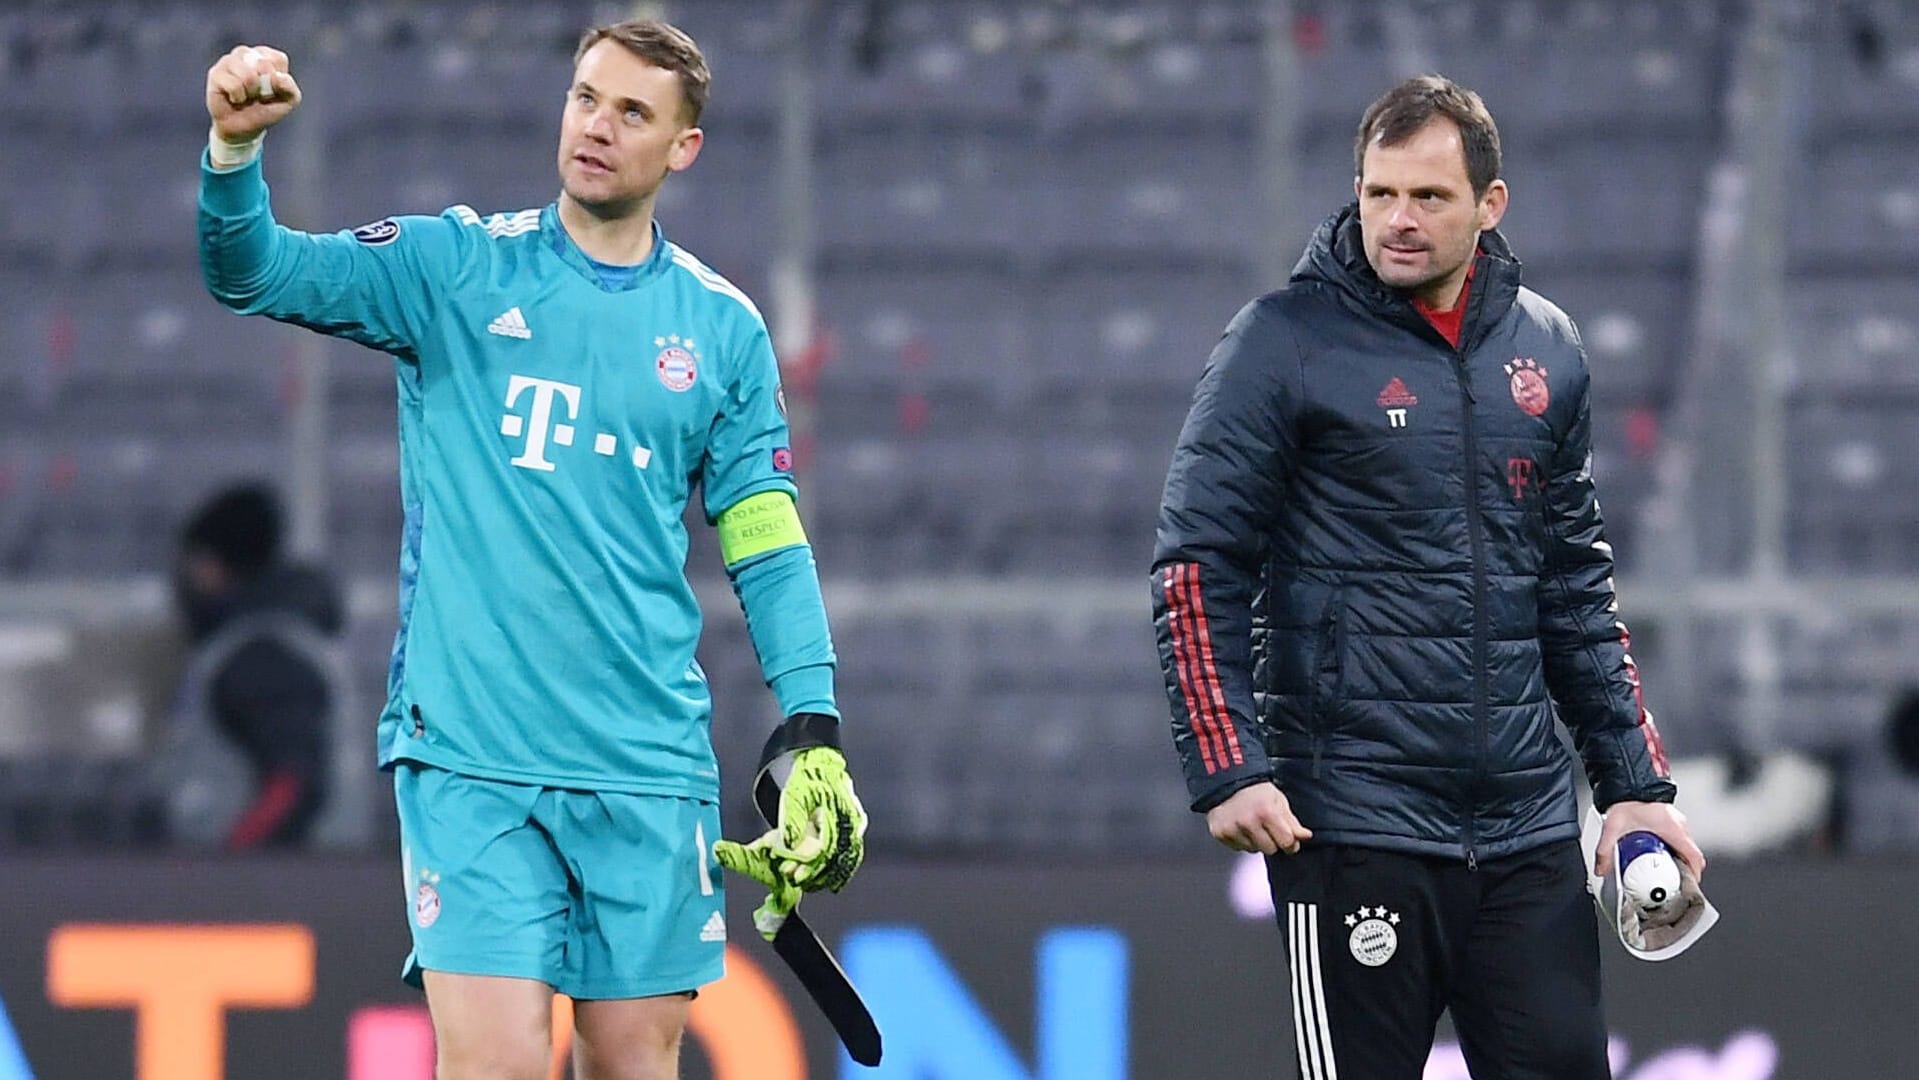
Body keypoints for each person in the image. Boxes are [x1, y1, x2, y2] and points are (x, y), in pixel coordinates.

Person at [198, 21, 866, 1080]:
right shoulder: (454, 268)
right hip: (472, 757)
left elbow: (765, 541)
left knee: (630, 1067)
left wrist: (813, 720)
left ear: (682, 149)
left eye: (631, 112)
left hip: (646, 766)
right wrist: (233, 153)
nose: (596, 126)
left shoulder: (723, 332)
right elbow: (255, 273)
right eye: (585, 97)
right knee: (499, 1067)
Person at [1150, 75, 1707, 1079]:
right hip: (1352, 823)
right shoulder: (1280, 344)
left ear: (1489, 206)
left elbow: (1574, 588)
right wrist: (1228, 762)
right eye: (1378, 194)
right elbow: (1196, 563)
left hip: (1526, 830)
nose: (1396, 221)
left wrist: (1633, 788)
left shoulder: (1546, 346)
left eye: (1427, 198)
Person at [164, 482, 345, 849]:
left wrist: (235, 862)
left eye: (199, 561)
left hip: (262, 894)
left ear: (222, 564)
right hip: (271, 891)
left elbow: (293, 783)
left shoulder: (260, 656)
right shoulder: (274, 641)